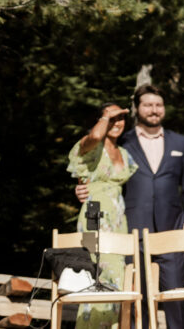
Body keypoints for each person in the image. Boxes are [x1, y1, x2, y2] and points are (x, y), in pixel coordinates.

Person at [77, 84, 184, 329]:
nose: (154, 110)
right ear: (137, 109)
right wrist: (82, 187)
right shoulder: (124, 140)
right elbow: (96, 162)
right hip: (133, 231)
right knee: (136, 299)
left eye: (158, 105)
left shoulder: (180, 142)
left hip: (172, 232)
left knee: (177, 298)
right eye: (148, 105)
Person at [68, 103, 138, 329]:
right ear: (100, 120)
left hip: (118, 218)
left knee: (117, 276)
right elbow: (96, 136)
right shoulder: (91, 146)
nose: (117, 123)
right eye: (111, 118)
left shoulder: (125, 154)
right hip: (93, 215)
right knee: (97, 275)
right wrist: (107, 115)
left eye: (120, 118)